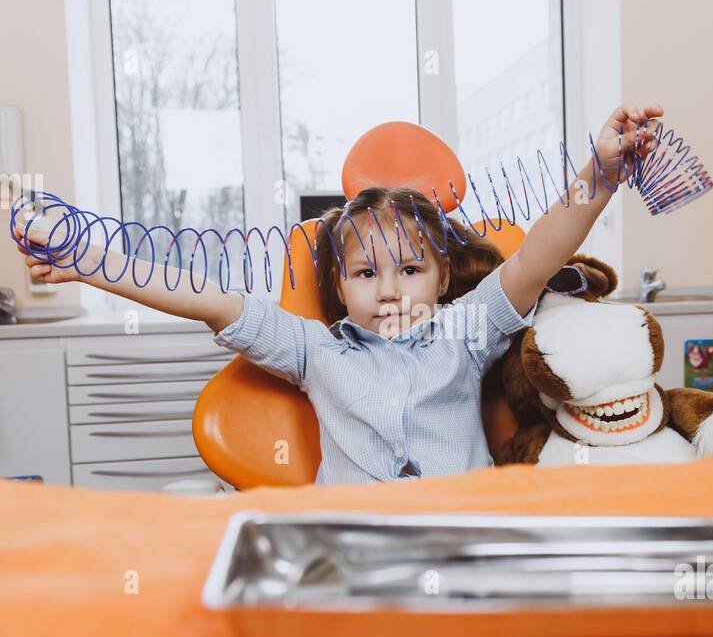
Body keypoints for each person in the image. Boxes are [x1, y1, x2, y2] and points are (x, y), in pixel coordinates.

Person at [14, 104, 662, 484]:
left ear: (442, 279)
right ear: (337, 284)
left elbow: (540, 254)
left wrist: (602, 170)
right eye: (364, 273)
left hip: (466, 535)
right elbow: (206, 296)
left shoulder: (466, 333)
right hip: (354, 546)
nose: (387, 292)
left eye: (409, 271)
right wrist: (87, 260)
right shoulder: (314, 351)